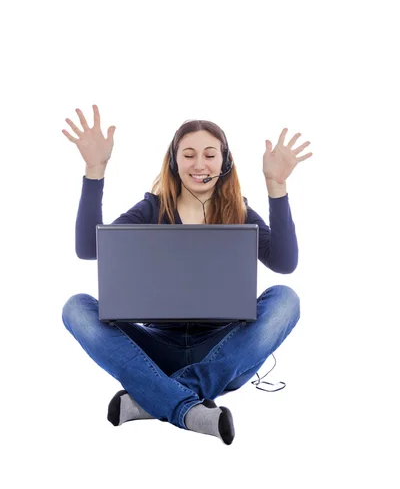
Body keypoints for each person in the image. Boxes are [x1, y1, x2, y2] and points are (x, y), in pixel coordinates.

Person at [61, 104, 312, 445]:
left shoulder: (238, 212)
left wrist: (276, 187)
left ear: (225, 163)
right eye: (188, 154)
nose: (199, 164)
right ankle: (187, 407)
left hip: (223, 351)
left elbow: (284, 262)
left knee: (286, 299)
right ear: (174, 161)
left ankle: (156, 398)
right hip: (155, 349)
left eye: (210, 155)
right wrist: (94, 171)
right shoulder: (153, 208)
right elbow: (89, 248)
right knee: (77, 307)